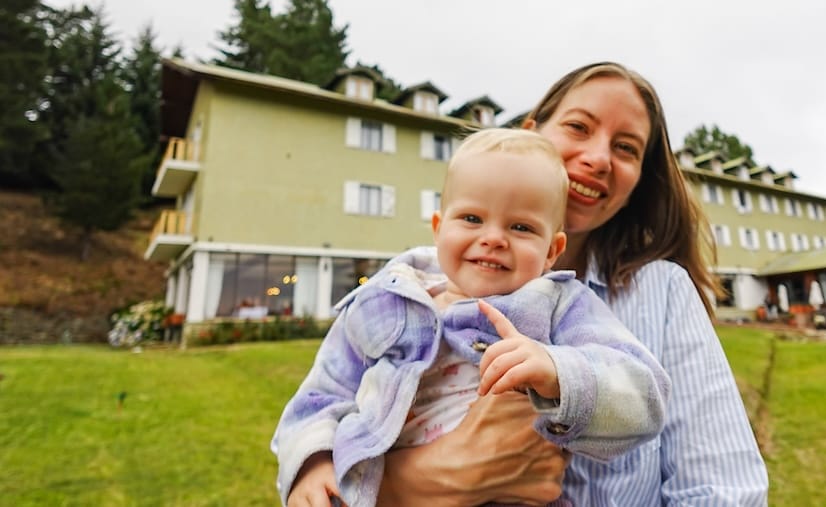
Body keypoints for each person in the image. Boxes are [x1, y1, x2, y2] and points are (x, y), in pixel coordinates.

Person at [373, 62, 769, 506]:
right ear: (530, 134)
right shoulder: (409, 287)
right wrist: (410, 484)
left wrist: (564, 379)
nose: (599, 159)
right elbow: (327, 415)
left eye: (626, 148)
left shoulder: (662, 292)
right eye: (578, 126)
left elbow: (721, 491)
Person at [272, 128, 672, 507]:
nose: (494, 238)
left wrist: (558, 371)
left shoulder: (559, 304)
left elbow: (645, 397)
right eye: (472, 219)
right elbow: (321, 395)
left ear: (553, 250)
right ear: (437, 227)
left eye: (520, 227)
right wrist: (312, 462)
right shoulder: (386, 302)